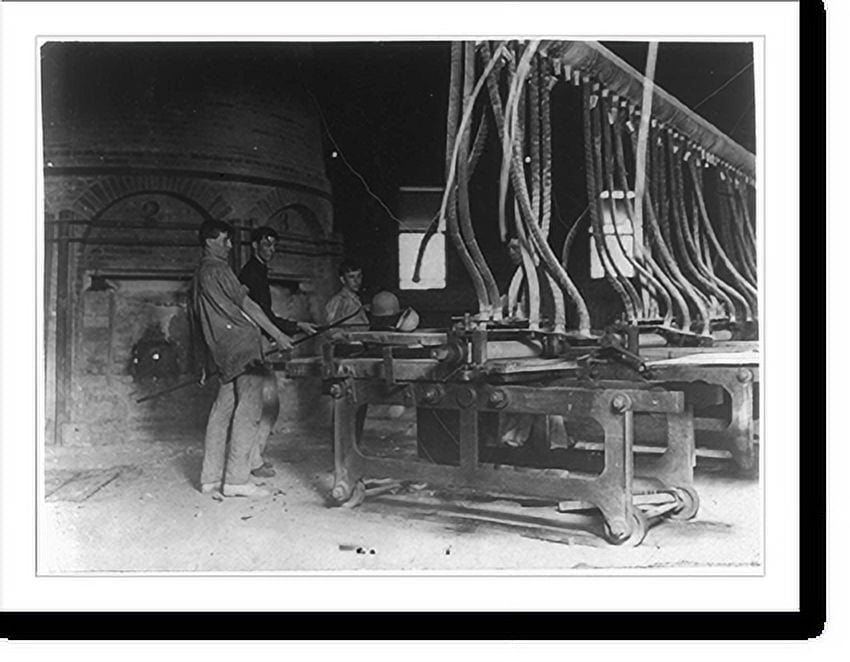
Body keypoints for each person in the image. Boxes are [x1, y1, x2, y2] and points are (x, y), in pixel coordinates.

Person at [191, 219, 293, 498]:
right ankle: (237, 480)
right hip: (244, 349)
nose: (229, 246)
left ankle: (210, 479)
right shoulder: (219, 269)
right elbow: (249, 305)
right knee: (249, 410)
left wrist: (203, 360)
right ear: (209, 242)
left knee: (221, 411)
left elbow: (197, 321)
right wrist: (279, 335)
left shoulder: (198, 274)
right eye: (224, 240)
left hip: (222, 351)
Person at [238, 226, 316, 478]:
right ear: (255, 246)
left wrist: (296, 325)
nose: (271, 249)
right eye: (267, 244)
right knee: (264, 404)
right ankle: (251, 461)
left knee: (268, 404)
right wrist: (283, 333)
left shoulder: (259, 271)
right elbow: (257, 315)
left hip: (259, 342)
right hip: (253, 345)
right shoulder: (250, 273)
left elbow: (267, 315)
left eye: (274, 245)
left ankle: (254, 458)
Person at [324, 259, 370, 327]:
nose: (356, 281)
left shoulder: (356, 299)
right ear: (343, 279)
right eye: (351, 277)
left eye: (359, 276)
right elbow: (330, 327)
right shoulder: (338, 301)